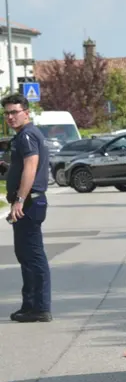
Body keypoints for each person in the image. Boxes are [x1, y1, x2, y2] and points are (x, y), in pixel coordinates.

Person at [2, 93, 52, 323]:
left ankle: (38, 308)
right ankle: (31, 305)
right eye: (7, 113)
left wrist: (20, 200)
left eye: (14, 112)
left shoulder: (27, 136)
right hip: (31, 201)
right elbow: (22, 167)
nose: (10, 117)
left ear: (26, 112)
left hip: (30, 203)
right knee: (27, 255)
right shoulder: (26, 135)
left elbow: (31, 167)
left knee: (32, 256)